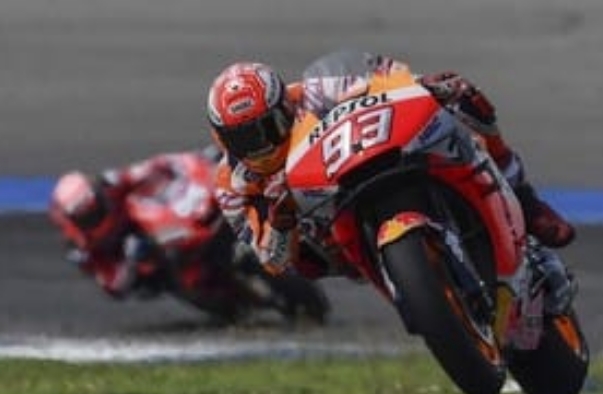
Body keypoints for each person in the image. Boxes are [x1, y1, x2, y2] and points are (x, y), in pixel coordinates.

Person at [208, 50, 575, 277]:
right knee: (305, 264)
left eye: (268, 127)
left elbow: (380, 84)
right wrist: (282, 221)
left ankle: (526, 200)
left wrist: (423, 85)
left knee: (463, 96)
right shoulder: (231, 186)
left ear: (285, 107)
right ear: (223, 139)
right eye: (244, 138)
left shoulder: (313, 93)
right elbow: (273, 261)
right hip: (324, 232)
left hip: (359, 163)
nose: (260, 144)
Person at [49, 148, 225, 301]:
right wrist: (131, 261)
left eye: (96, 208)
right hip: (138, 263)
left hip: (150, 222)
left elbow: (150, 167)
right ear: (74, 220)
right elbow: (112, 285)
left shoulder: (110, 183)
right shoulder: (79, 246)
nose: (95, 215)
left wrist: (196, 157)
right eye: (88, 216)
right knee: (175, 276)